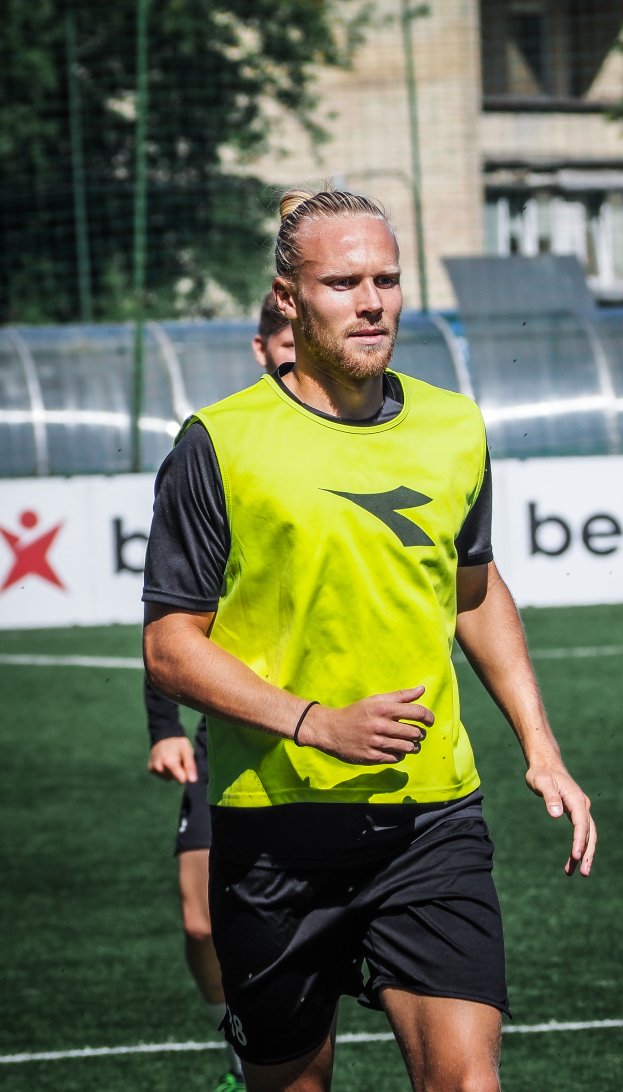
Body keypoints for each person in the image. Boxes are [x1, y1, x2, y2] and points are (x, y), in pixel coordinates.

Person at [143, 187, 596, 1092]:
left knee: (466, 1082)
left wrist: (541, 747)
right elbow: (171, 646)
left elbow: (476, 591)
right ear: (288, 296)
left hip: (431, 820)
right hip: (275, 830)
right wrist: (314, 723)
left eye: (387, 278)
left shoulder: (453, 427)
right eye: (344, 280)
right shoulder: (219, 443)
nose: (372, 300)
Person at [145, 291, 295, 1092]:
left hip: (330, 735)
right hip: (228, 730)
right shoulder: (217, 444)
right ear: (261, 348)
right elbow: (173, 617)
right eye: (281, 345)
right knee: (199, 916)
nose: (292, 358)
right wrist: (162, 724)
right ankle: (234, 1032)